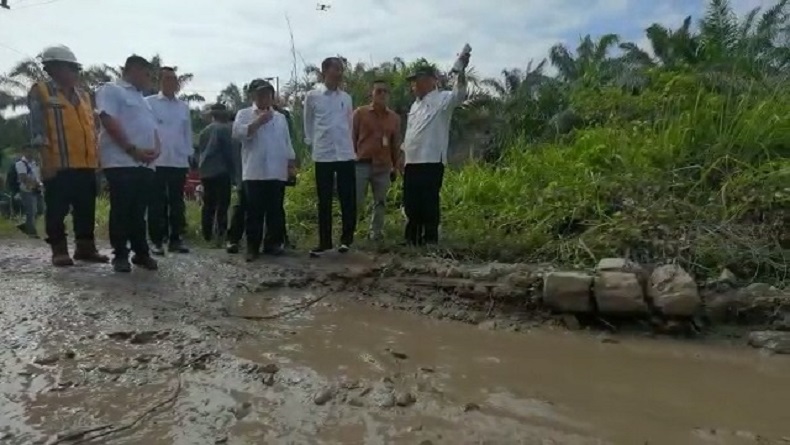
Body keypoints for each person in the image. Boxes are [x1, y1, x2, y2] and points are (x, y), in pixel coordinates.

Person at [26, 45, 108, 266]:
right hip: (58, 163)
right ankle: (59, 250)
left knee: (85, 209)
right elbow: (37, 130)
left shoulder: (83, 95)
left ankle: (85, 248)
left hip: (86, 164)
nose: (74, 73)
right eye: (70, 68)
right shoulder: (41, 91)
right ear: (52, 68)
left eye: (76, 69)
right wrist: (46, 161)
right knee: (57, 209)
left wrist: (97, 158)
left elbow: (92, 129)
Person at [96, 54, 161, 272]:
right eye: (147, 73)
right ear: (133, 70)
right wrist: (132, 149)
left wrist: (156, 149)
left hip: (145, 164)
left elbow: (152, 128)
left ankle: (141, 253)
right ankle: (120, 254)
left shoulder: (143, 100)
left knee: (138, 211)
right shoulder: (112, 90)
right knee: (122, 209)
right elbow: (107, 119)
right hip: (121, 161)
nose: (149, 78)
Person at [401, 59, 469, 246]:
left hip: (431, 160)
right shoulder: (415, 106)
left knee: (429, 201)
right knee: (411, 202)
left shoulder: (443, 99)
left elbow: (460, 94)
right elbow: (410, 133)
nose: (415, 84)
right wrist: (403, 156)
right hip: (412, 161)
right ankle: (412, 239)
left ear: (432, 81)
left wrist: (460, 71)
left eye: (419, 79)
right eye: (414, 81)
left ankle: (430, 238)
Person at [232, 79, 296, 262]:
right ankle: (252, 246)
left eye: (268, 94)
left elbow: (286, 142)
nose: (265, 98)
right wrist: (258, 122)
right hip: (254, 171)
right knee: (254, 211)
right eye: (260, 94)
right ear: (253, 96)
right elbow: (237, 134)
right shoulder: (244, 114)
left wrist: (290, 164)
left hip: (276, 170)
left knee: (275, 209)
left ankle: (272, 243)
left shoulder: (280, 117)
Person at [303, 57, 356, 257]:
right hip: (323, 154)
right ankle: (324, 242)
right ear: (325, 71)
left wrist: (349, 146)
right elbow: (308, 123)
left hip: (344, 153)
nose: (340, 73)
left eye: (341, 69)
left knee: (347, 198)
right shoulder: (312, 96)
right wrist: (312, 144)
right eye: (336, 69)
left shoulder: (346, 98)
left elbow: (349, 124)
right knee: (324, 200)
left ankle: (346, 240)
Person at [145, 67, 193, 255]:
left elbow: (187, 133)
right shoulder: (149, 103)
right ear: (160, 82)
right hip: (156, 160)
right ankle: (156, 240)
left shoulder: (183, 107)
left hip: (178, 160)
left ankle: (176, 239)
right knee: (156, 202)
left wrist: (189, 154)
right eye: (167, 79)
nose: (172, 83)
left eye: (174, 79)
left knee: (177, 202)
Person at [352, 79, 401, 241]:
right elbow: (352, 137)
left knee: (380, 201)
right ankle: (350, 232)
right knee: (356, 200)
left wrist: (396, 165)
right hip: (362, 164)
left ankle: (376, 233)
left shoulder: (394, 118)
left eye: (385, 91)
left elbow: (395, 143)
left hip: (383, 165)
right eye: (378, 91)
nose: (382, 95)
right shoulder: (360, 113)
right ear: (371, 94)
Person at [195, 103, 234, 245]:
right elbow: (228, 152)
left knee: (208, 204)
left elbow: (199, 152)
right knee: (223, 203)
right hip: (221, 170)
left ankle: (207, 234)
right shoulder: (224, 130)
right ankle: (221, 233)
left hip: (206, 171)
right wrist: (233, 171)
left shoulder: (204, 131)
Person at [14, 146, 43, 238]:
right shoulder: (20, 163)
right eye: (27, 151)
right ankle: (31, 232)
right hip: (27, 190)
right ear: (23, 152)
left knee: (41, 209)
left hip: (37, 189)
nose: (30, 153)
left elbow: (39, 175)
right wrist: (35, 184)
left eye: (31, 151)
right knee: (31, 211)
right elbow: (23, 177)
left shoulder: (35, 163)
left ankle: (26, 225)